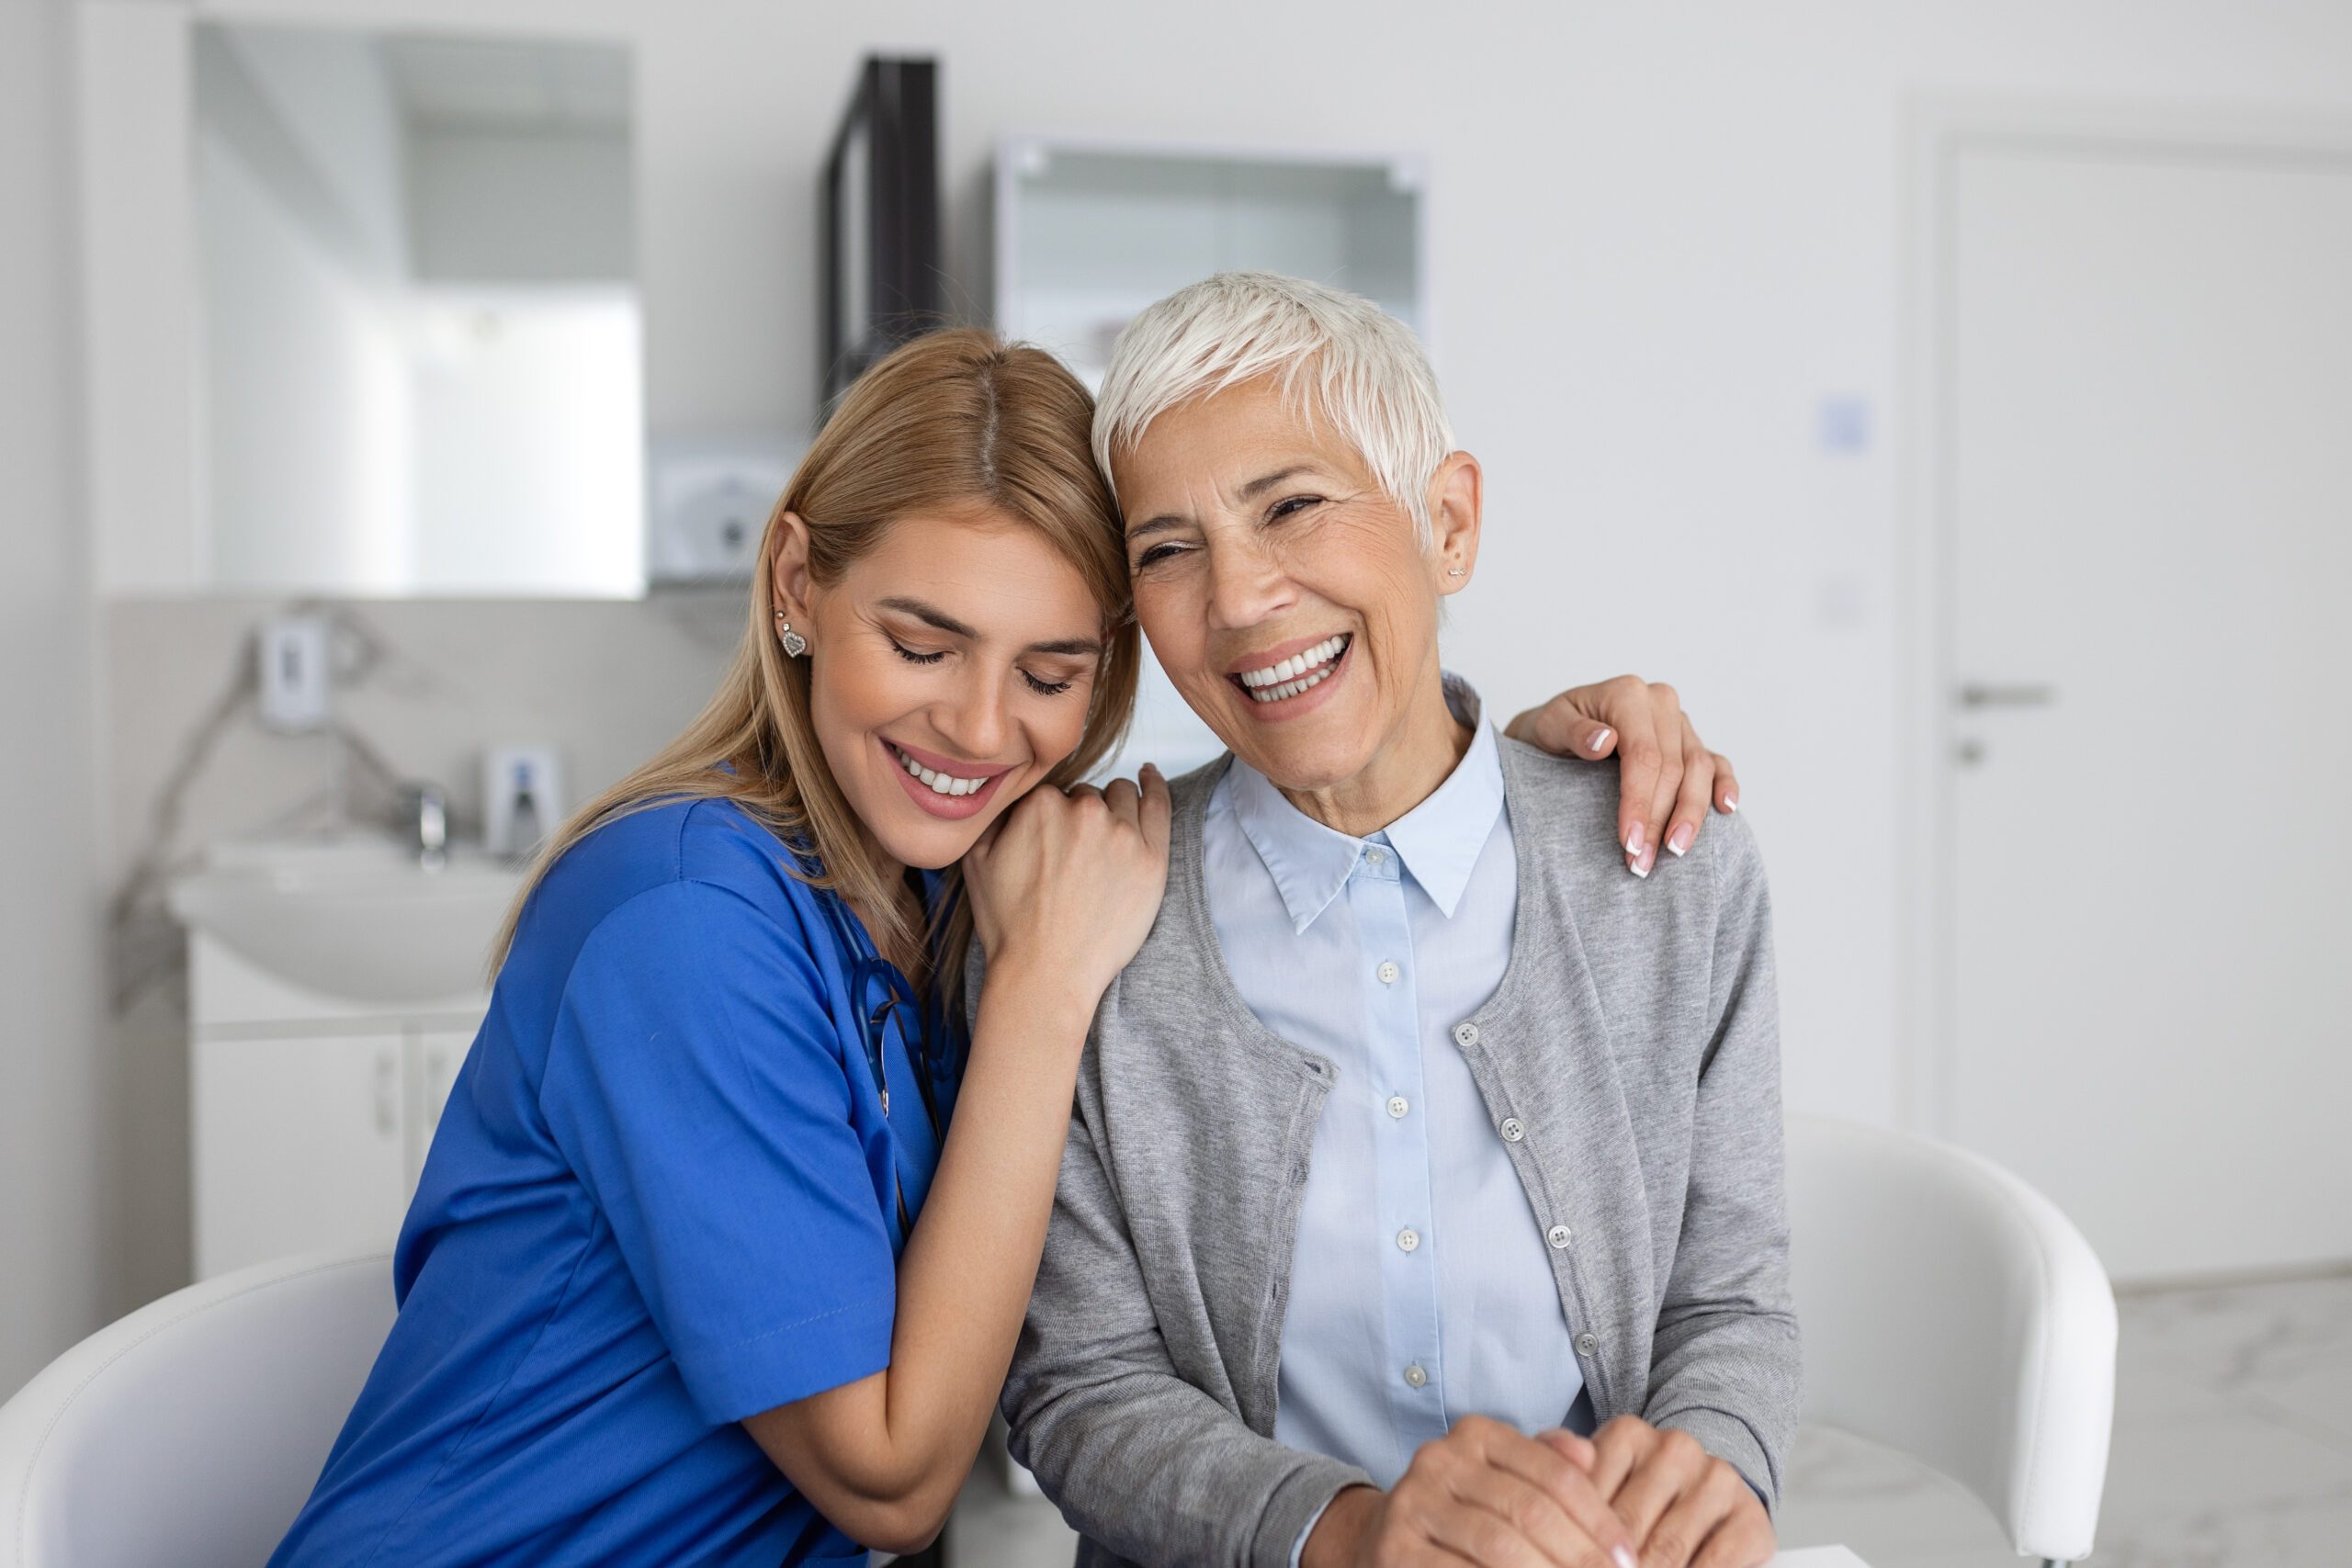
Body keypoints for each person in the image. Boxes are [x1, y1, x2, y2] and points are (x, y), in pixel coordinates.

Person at [269, 325, 1741, 1566]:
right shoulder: (685, 924)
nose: (980, 730)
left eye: (1050, 673)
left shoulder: (953, 896)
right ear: (795, 584)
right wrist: (1043, 992)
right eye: (921, 645)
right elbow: (898, 1478)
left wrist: (1526, 772)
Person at [1001, 274, 1796, 1568]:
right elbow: (1078, 1388)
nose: (1242, 597)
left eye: (1294, 506)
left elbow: (1732, 1299)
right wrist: (1345, 1533)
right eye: (1167, 548)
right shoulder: (1091, 919)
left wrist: (1716, 1464)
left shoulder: (1674, 868)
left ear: (1448, 522)